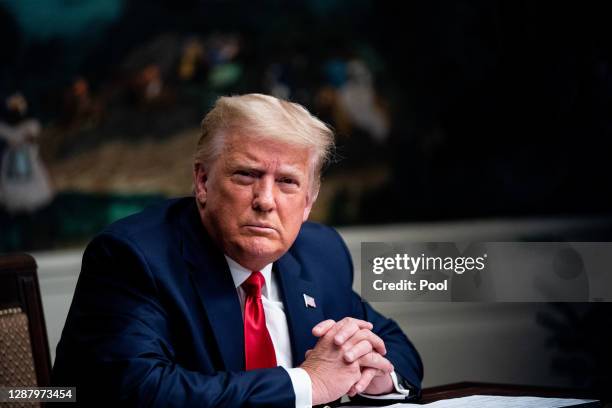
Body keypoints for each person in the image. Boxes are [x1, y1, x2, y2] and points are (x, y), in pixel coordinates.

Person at [52, 93, 423, 406]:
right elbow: (139, 390)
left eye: (287, 182)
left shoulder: (320, 253)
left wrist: (372, 377)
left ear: (309, 201)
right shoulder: (133, 257)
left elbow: (393, 344)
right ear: (202, 181)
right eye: (246, 175)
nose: (265, 200)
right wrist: (308, 384)